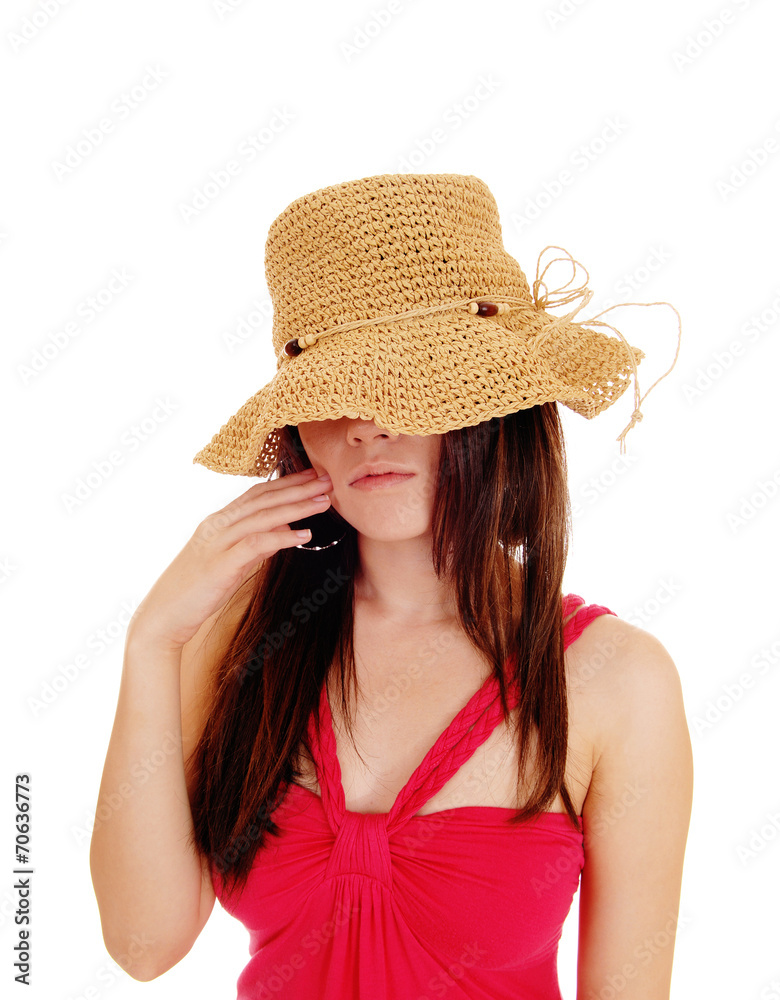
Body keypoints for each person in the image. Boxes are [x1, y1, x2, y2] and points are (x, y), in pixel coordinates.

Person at [89, 173, 693, 999]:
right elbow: (142, 945)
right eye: (333, 391)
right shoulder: (241, 639)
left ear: (497, 404)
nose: (367, 423)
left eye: (414, 382)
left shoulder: (615, 679)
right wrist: (153, 640)